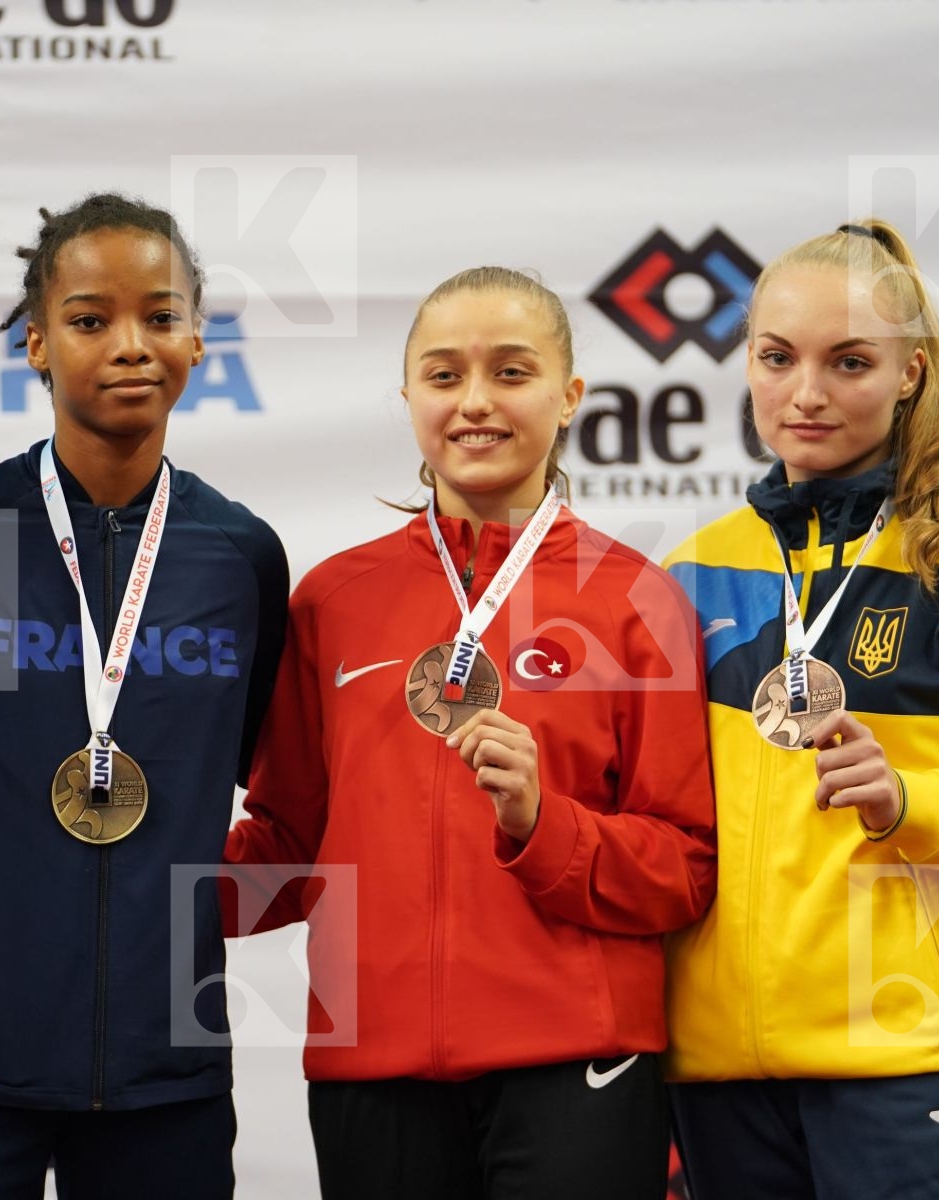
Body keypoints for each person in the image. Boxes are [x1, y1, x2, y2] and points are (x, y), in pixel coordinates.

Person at [224, 266, 717, 1199]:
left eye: (512, 372)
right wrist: (124, 886)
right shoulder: (335, 598)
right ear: (408, 395)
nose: (476, 402)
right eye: (444, 375)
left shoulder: (637, 599)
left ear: (570, 398)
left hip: (578, 1061)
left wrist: (542, 825)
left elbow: (685, 868)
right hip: (373, 1067)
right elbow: (293, 845)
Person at [0, 193, 288, 1200]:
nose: (129, 345)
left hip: (162, 1071)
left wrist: (177, 911)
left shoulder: (240, 557)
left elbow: (275, 785)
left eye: (160, 316)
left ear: (197, 340)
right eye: (91, 320)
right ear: (37, 343)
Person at [663, 219, 939, 1199]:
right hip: (721, 1074)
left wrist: (911, 803)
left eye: (848, 361)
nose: (805, 393)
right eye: (777, 359)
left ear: (909, 373)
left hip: (913, 1065)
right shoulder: (688, 569)